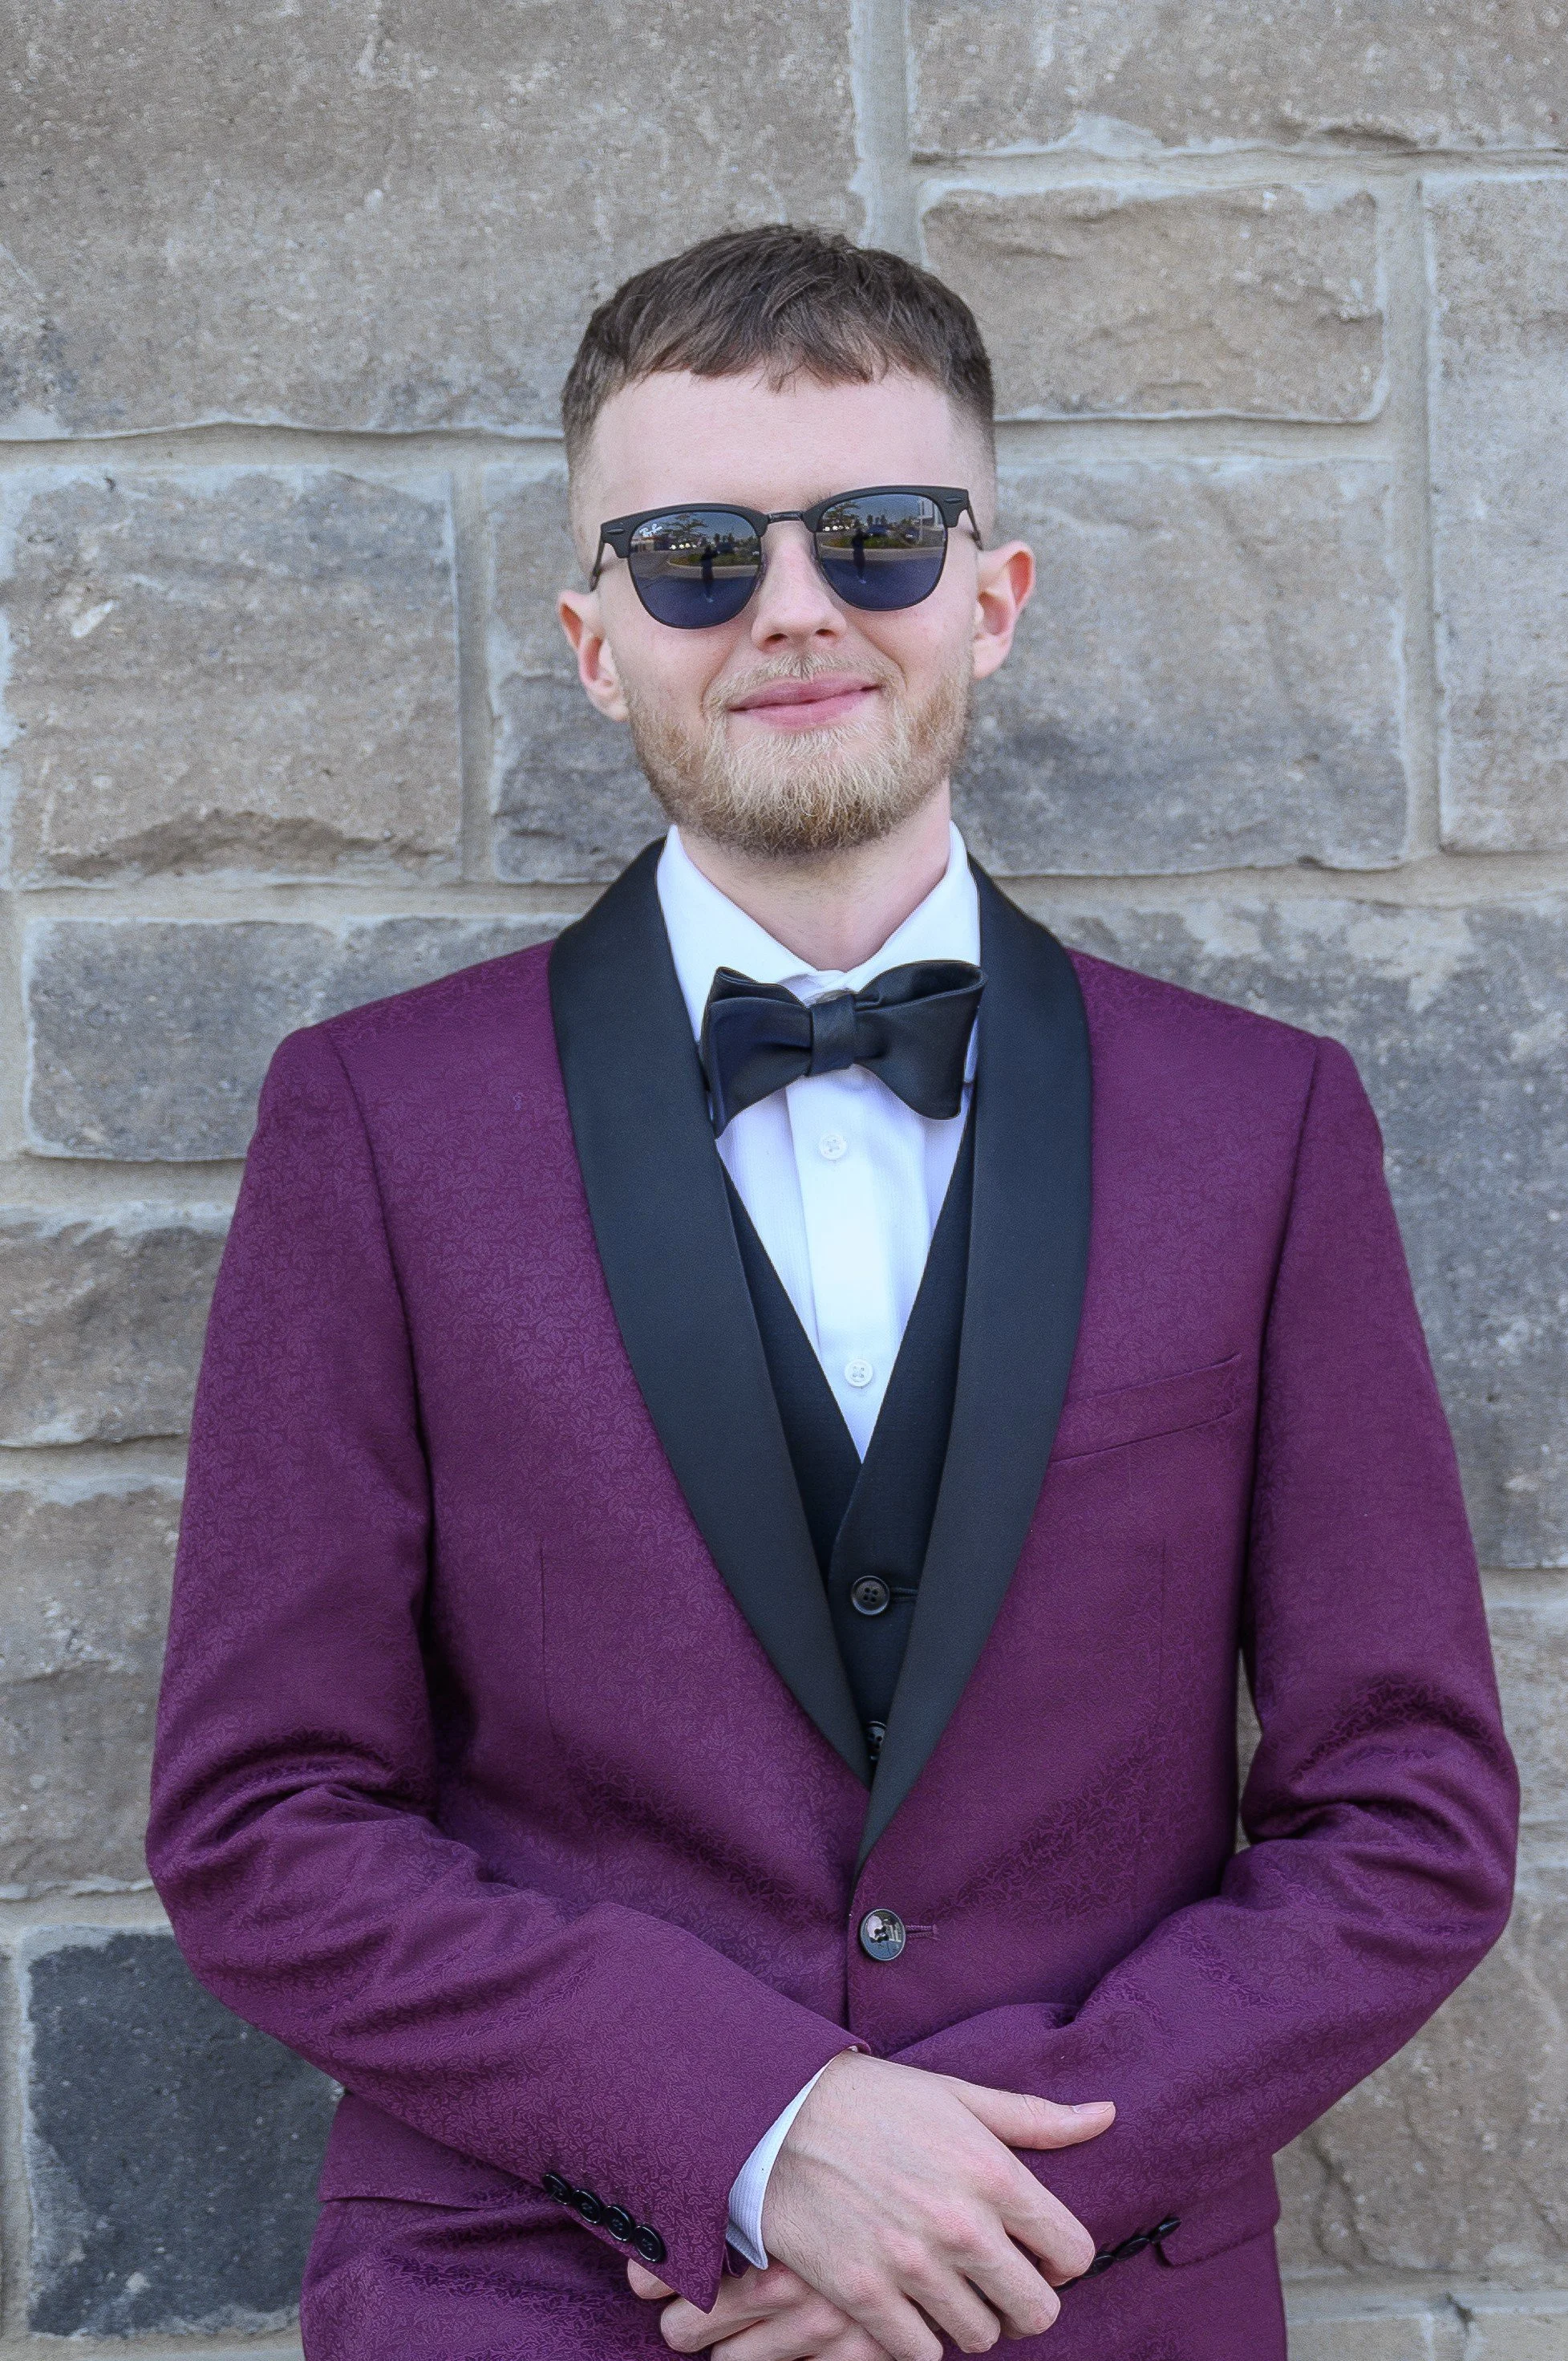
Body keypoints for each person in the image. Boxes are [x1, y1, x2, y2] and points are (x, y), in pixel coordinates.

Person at [148, 226, 1518, 2361]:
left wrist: (973, 2191)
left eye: (877, 536)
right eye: (697, 552)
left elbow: (1408, 1821)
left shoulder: (1266, 1129)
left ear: (994, 590)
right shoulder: (372, 1126)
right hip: (535, 2291)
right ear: (599, 639)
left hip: (1089, 2289)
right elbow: (259, 1824)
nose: (793, 609)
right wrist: (758, 2126)